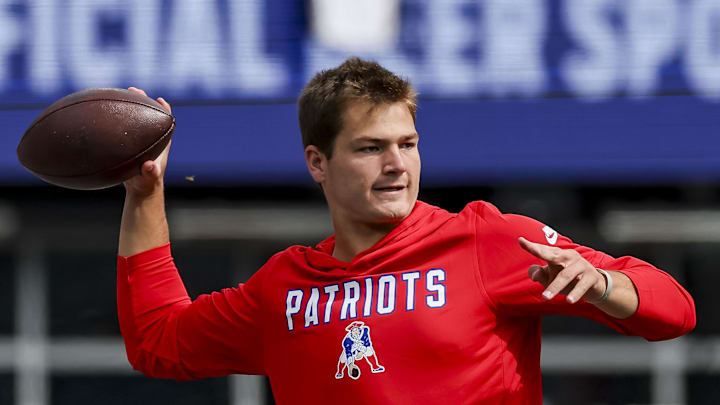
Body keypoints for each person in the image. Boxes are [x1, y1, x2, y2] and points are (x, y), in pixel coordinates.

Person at [116, 57, 696, 404]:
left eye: (408, 144)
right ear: (318, 163)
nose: (397, 164)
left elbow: (676, 311)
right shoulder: (285, 286)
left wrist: (603, 285)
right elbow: (158, 342)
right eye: (371, 148)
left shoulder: (484, 241)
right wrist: (145, 194)